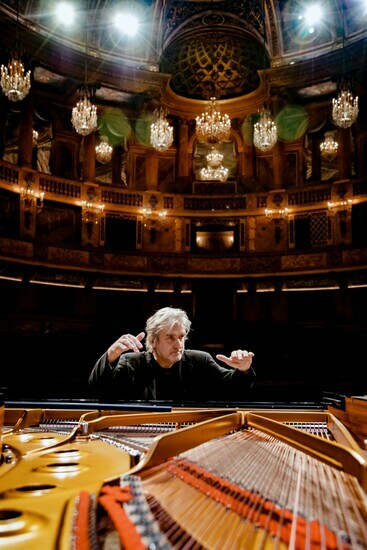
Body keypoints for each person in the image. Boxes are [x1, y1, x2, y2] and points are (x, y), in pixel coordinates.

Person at [88, 306, 255, 402]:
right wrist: (110, 355)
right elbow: (98, 389)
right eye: (170, 338)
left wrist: (243, 370)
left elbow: (233, 388)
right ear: (153, 340)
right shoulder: (130, 362)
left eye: (181, 337)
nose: (178, 344)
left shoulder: (200, 360)